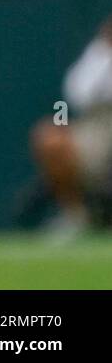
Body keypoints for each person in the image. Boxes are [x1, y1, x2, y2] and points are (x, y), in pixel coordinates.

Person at [32, 16, 112, 235]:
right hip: (99, 124)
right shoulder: (101, 50)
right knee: (50, 137)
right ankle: (76, 217)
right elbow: (77, 93)